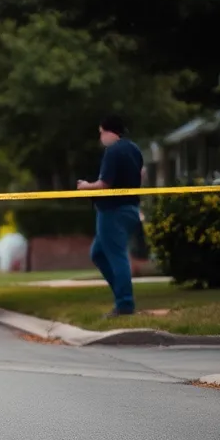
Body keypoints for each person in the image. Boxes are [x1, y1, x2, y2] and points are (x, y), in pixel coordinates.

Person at [77, 114, 146, 317]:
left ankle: (124, 304)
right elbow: (141, 175)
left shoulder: (113, 151)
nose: (101, 138)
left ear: (109, 131)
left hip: (112, 210)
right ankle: (121, 294)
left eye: (101, 133)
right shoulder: (134, 149)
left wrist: (85, 186)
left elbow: (104, 184)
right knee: (98, 253)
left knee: (116, 256)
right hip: (131, 208)